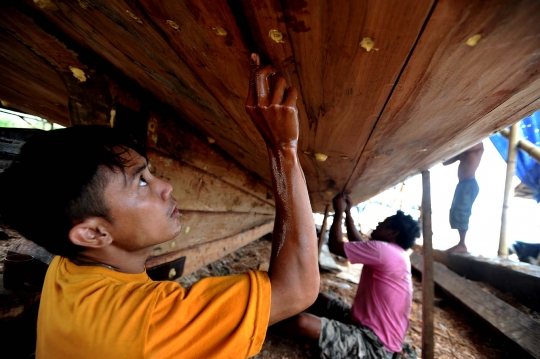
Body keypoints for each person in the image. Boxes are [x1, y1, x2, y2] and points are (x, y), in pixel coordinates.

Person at [0, 53, 319, 358]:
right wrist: (283, 148)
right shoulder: (147, 322)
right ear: (94, 234)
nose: (165, 187)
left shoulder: (69, 265)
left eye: (149, 173)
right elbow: (296, 290)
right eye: (141, 182)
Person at [271, 194, 420, 359]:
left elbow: (335, 246)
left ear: (393, 232)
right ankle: (322, 342)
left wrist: (339, 212)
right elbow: (358, 245)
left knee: (302, 323)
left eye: (384, 223)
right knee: (321, 299)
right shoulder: (396, 254)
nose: (378, 224)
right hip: (361, 323)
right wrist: (348, 212)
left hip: (375, 346)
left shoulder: (384, 251)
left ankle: (261, 324)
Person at [443, 142, 484, 253]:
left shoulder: (477, 145)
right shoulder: (464, 148)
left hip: (469, 184)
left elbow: (469, 146)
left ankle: (462, 244)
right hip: (463, 184)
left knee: (462, 211)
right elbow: (445, 162)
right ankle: (460, 243)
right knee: (455, 212)